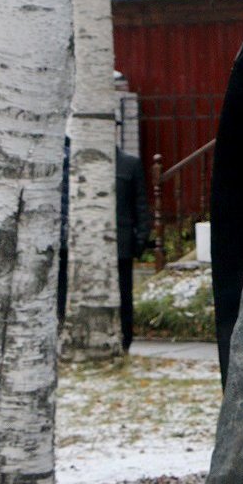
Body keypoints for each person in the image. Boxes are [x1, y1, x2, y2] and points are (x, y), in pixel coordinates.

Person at [114, 148, 151, 350]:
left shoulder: (130, 164)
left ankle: (125, 340)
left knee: (124, 296)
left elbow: (141, 204)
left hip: (122, 243)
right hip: (91, 244)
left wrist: (140, 239)